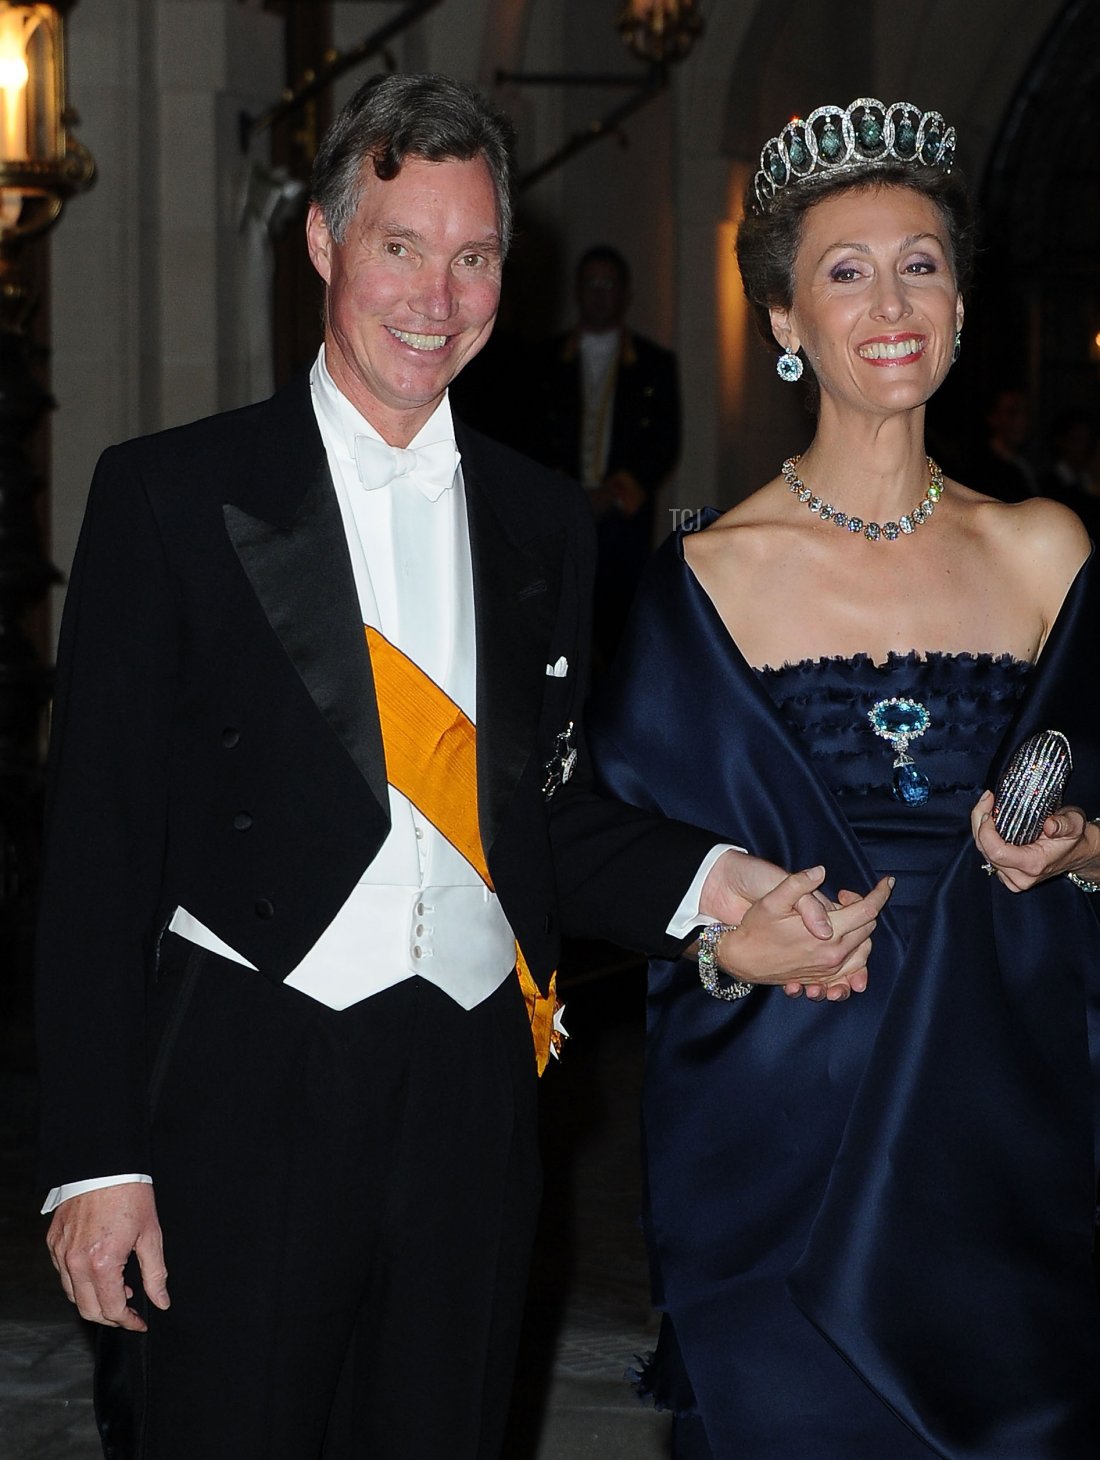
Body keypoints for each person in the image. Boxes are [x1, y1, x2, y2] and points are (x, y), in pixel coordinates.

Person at [33, 74, 892, 1460]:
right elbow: (94, 860)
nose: (438, 295)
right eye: (400, 247)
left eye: (474, 255)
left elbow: (542, 816)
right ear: (323, 244)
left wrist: (726, 889)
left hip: (472, 1097)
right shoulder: (173, 496)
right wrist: (96, 1159)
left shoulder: (543, 519)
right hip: (250, 1081)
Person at [585, 97, 1100, 1459]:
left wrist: (1089, 850)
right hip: (783, 1098)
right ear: (788, 324)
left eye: (921, 263)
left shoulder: (1047, 548)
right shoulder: (709, 577)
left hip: (993, 1092)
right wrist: (734, 948)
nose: (891, 301)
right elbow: (619, 858)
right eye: (845, 272)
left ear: (961, 303)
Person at [527, 244, 682, 672]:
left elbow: (665, 441)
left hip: (623, 522)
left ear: (625, 294)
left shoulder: (655, 364)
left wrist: (614, 492)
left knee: (620, 638)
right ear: (576, 291)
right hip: (558, 516)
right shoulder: (541, 362)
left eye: (607, 284)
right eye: (590, 284)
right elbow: (528, 436)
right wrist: (566, 492)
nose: (598, 293)